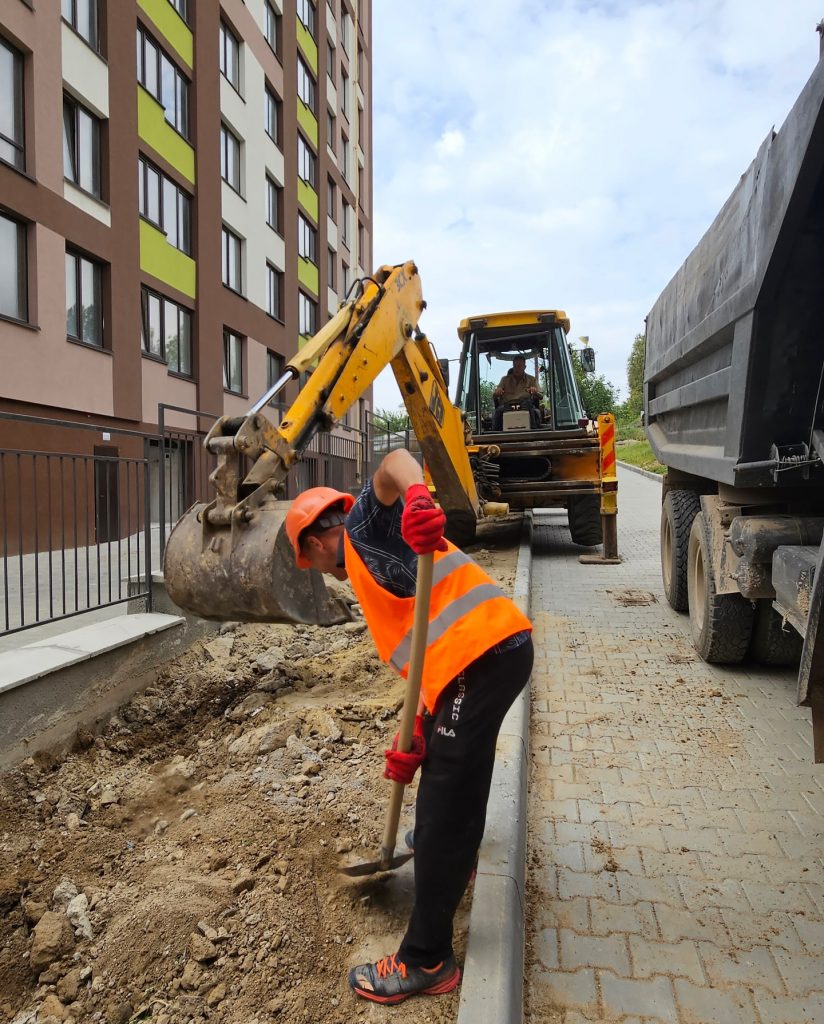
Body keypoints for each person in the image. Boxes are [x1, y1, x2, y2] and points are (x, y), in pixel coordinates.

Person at [285, 449, 533, 1005]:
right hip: (481, 659)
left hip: (485, 656)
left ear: (316, 538)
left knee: (441, 804)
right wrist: (418, 731)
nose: (320, 572)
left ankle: (426, 959)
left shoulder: (361, 529)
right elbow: (425, 646)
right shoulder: (374, 562)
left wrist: (418, 493)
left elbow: (395, 461)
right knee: (454, 780)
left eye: (309, 558)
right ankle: (455, 860)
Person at [492, 354, 542, 429]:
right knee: (498, 411)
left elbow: (541, 396)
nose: (516, 369)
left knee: (533, 411)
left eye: (519, 366)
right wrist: (497, 392)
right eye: (515, 366)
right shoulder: (505, 380)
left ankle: (533, 432)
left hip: (525, 405)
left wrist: (535, 392)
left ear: (524, 367)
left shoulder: (532, 380)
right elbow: (494, 395)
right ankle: (495, 434)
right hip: (507, 406)